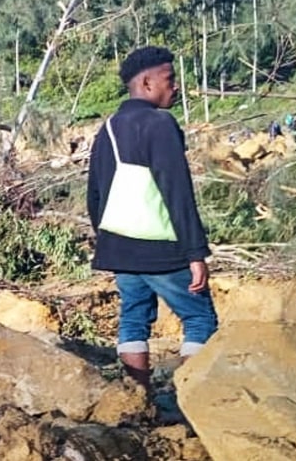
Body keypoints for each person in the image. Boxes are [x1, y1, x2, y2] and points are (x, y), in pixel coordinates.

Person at [86, 46, 218, 393]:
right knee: (199, 317)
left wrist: (110, 238)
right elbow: (177, 192)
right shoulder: (161, 124)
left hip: (120, 245)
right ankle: (192, 400)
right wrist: (195, 253)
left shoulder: (108, 128)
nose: (175, 87)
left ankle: (138, 400)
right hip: (162, 248)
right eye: (169, 79)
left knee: (133, 319)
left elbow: (95, 195)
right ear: (146, 83)